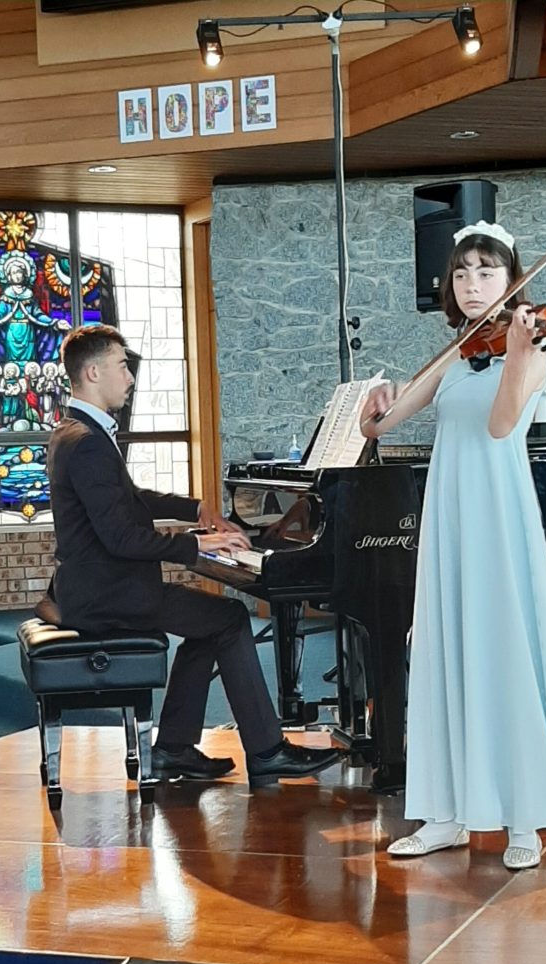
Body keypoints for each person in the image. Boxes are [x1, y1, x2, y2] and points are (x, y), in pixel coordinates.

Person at [359, 220, 546, 869]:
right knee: (448, 651)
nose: (472, 283)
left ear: (511, 278)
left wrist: (519, 353)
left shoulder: (532, 348)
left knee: (505, 655)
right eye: (462, 273)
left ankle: (522, 821)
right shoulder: (459, 350)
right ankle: (446, 814)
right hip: (450, 517)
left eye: (486, 271)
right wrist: (374, 406)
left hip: (498, 519)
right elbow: (384, 423)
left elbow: (503, 425)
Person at [47, 323, 341, 788]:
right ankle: (266, 751)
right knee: (228, 619)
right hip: (107, 593)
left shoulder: (78, 433)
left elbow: (128, 498)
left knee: (213, 623)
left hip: (102, 586)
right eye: (123, 367)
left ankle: (174, 749)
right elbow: (122, 539)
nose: (130, 378)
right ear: (92, 371)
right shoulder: (87, 443)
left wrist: (195, 510)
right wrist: (197, 544)